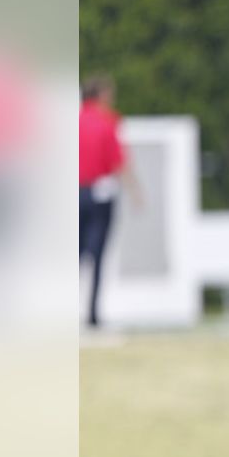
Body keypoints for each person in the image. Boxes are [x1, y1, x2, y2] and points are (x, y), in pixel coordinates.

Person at [79, 74, 141, 328]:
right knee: (97, 257)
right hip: (101, 195)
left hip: (74, 193)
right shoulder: (108, 121)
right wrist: (135, 191)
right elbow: (118, 160)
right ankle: (92, 314)